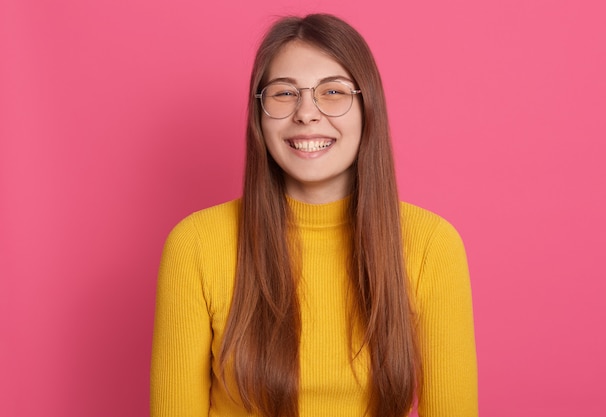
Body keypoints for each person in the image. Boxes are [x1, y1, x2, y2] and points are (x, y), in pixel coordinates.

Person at [150, 13, 477, 417]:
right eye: (284, 94)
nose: (306, 113)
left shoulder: (431, 245)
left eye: (333, 92)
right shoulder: (196, 244)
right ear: (259, 114)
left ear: (367, 106)